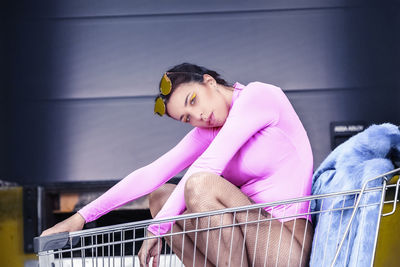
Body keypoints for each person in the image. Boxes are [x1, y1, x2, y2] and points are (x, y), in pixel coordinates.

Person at [41, 63, 314, 266]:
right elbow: (152, 173)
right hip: (244, 247)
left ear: (209, 81)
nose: (199, 116)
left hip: (284, 246)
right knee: (161, 196)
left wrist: (156, 228)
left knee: (200, 184)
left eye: (193, 100)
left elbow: (206, 169)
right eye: (187, 118)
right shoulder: (210, 130)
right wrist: (81, 217)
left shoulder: (259, 96)